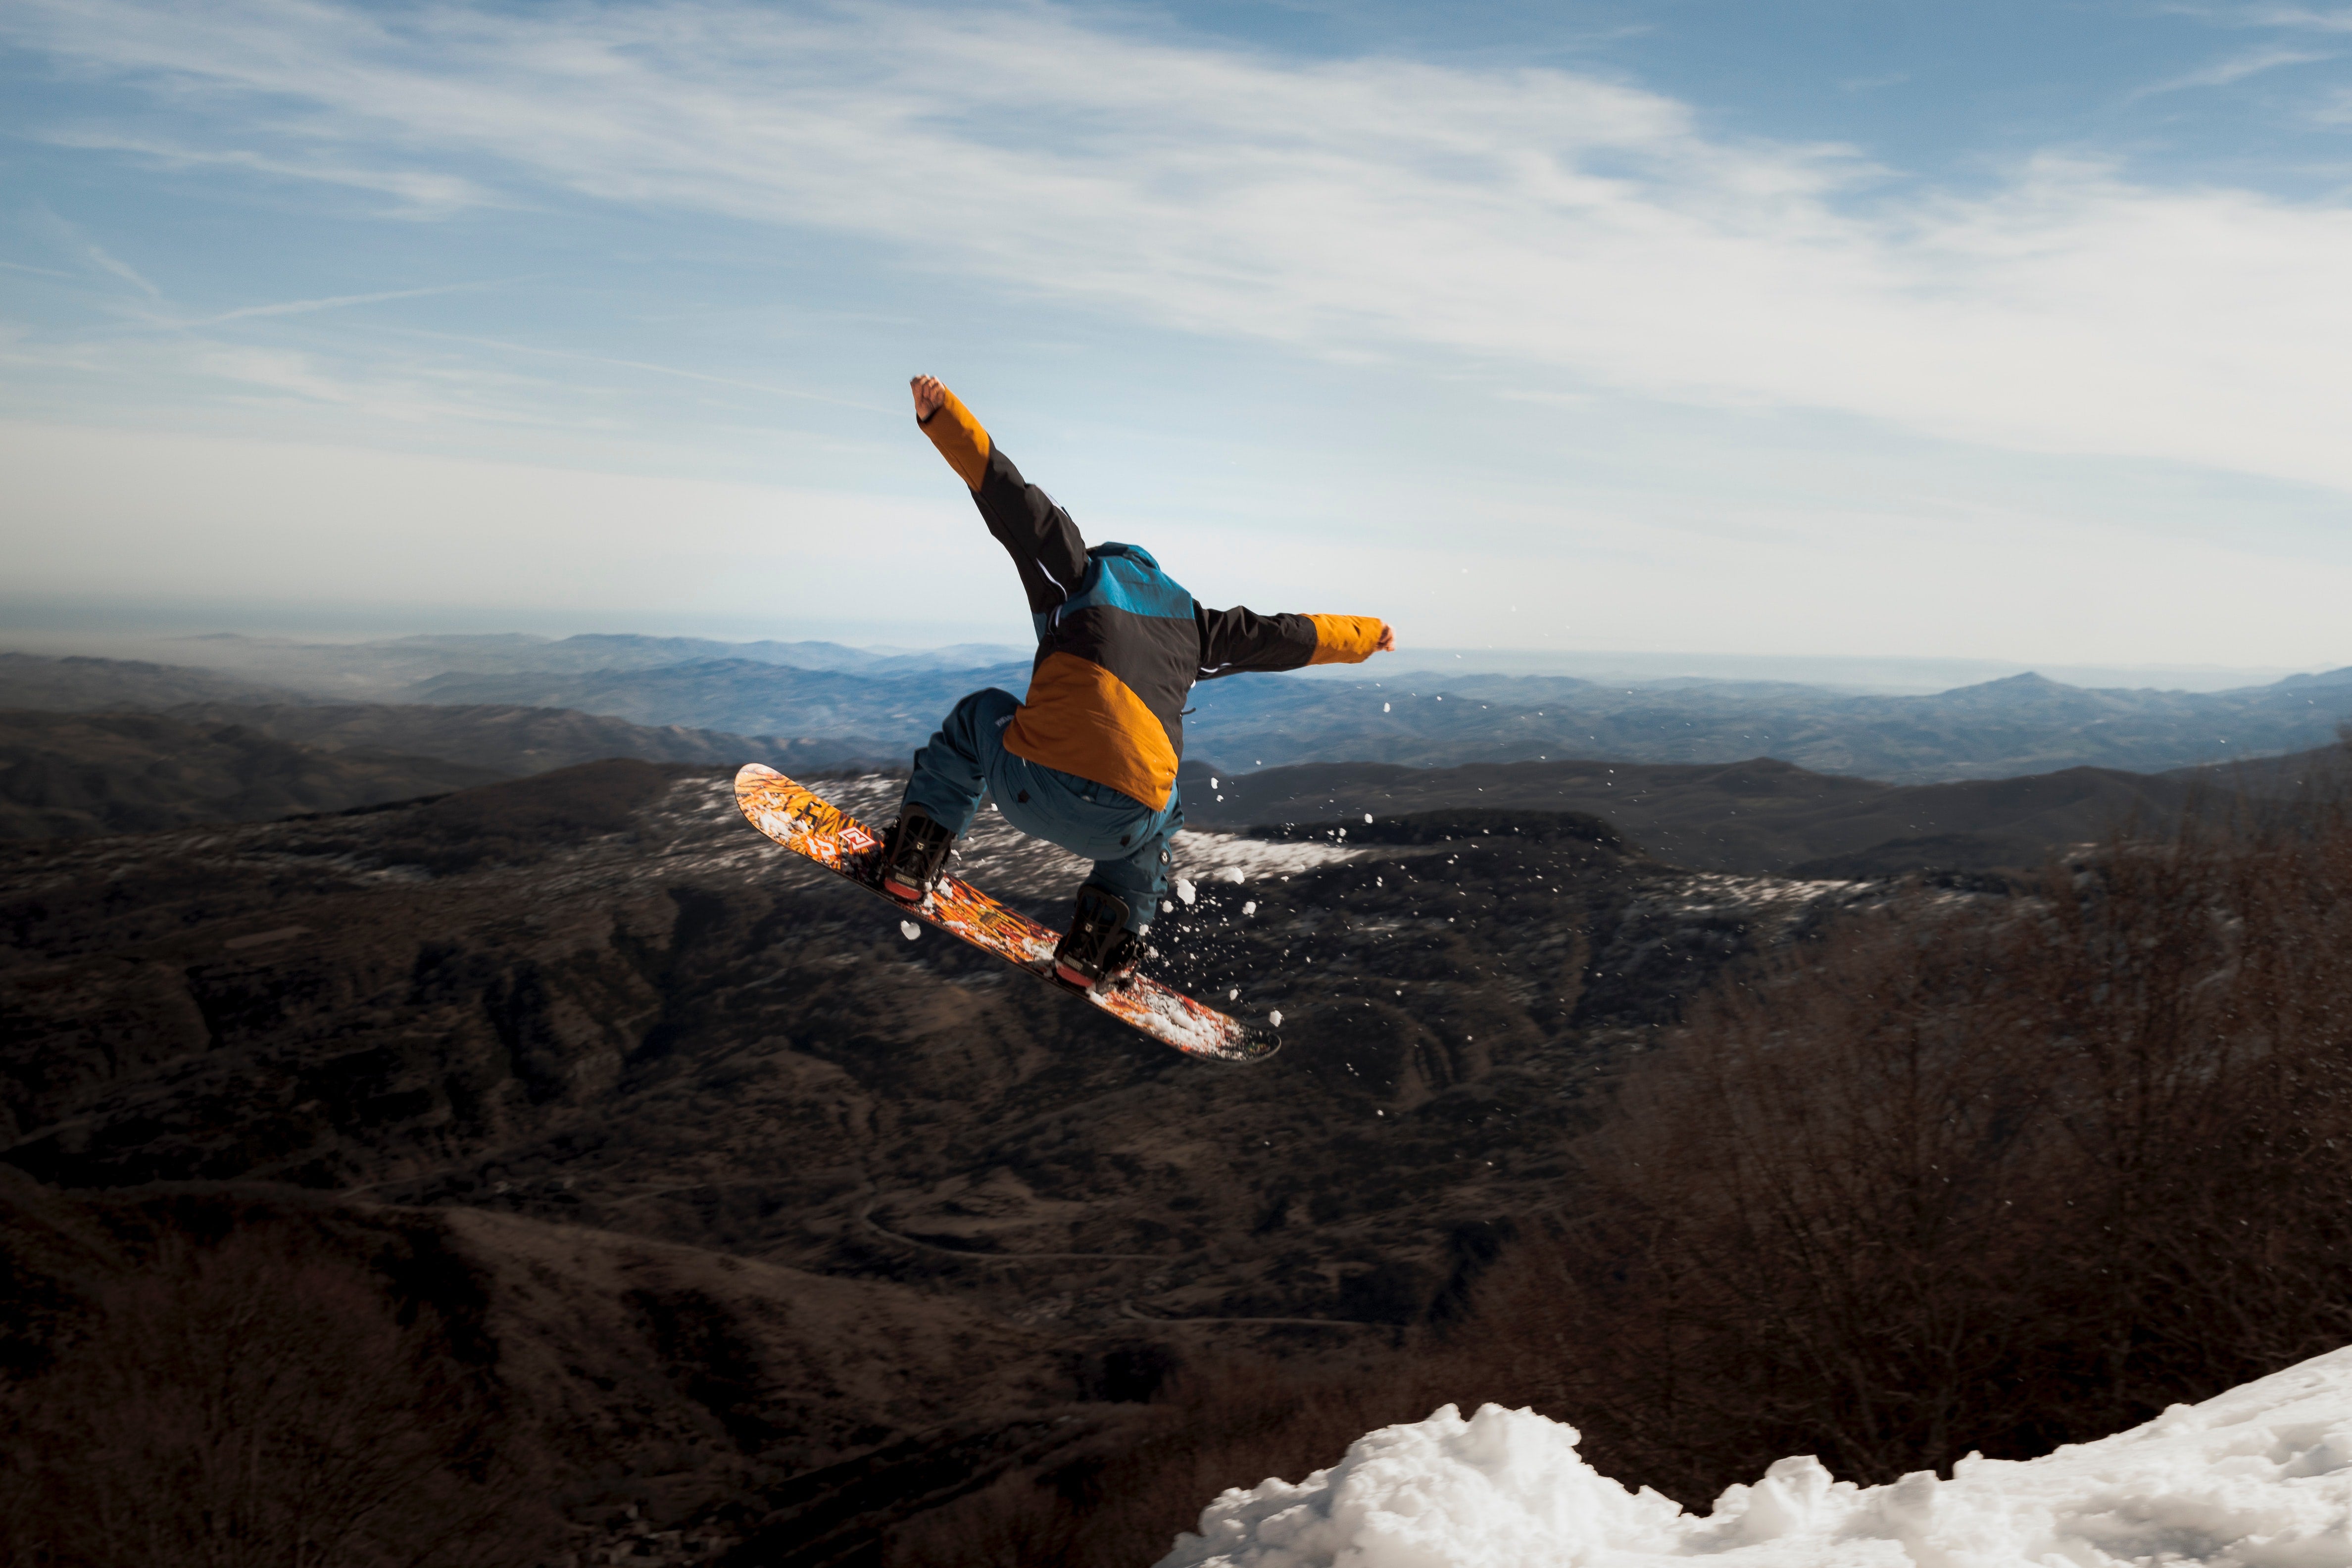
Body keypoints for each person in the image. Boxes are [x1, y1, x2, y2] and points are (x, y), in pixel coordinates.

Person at [881, 374, 1395, 990]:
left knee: (979, 714)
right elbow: (1283, 636)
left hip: (1029, 787)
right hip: (1123, 824)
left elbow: (1016, 504)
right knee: (1167, 805)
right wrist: (1367, 635)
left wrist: (943, 417)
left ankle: (917, 854)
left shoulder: (1078, 575)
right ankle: (1100, 942)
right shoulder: (1194, 627)